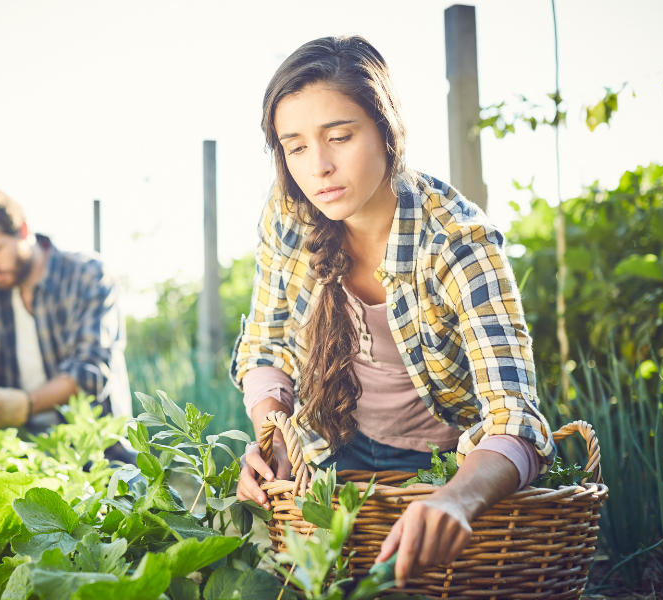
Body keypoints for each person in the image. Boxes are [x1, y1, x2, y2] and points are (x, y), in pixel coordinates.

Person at [231, 36, 556, 588]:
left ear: (386, 130)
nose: (321, 168)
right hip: (329, 449)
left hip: (444, 463)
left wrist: (457, 498)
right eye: (296, 147)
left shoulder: (458, 243)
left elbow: (515, 418)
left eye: (339, 136)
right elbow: (266, 346)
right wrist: (272, 434)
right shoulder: (288, 216)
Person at [0, 188, 133, 454]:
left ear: (23, 230)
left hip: (97, 447)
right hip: (21, 448)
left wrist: (23, 405)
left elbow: (91, 370)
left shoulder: (87, 275)